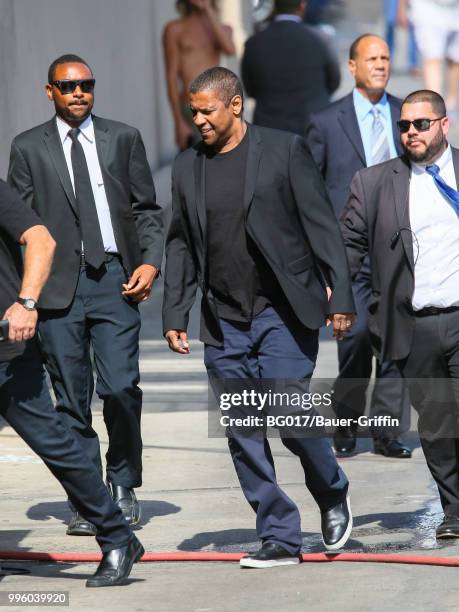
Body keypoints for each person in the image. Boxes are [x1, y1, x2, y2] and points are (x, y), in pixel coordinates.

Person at [163, 66, 355, 568]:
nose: (198, 119)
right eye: (193, 111)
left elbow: (321, 225)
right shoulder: (187, 167)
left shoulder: (283, 150)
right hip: (223, 318)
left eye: (206, 110)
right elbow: (180, 243)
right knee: (243, 429)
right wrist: (175, 312)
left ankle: (331, 491)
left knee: (289, 412)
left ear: (234, 105)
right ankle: (279, 536)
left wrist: (341, 297)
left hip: (282, 311)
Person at [8, 54, 164, 537]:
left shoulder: (123, 138)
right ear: (49, 91)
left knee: (120, 387)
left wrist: (149, 262)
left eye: (86, 85)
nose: (79, 94)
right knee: (71, 399)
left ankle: (122, 482)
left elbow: (147, 210)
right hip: (58, 290)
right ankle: (87, 495)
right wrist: (24, 295)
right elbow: (19, 224)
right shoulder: (28, 147)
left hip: (115, 280)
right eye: (68, 86)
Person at [0, 179, 143, 587]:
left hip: (8, 351)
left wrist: (27, 303)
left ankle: (118, 538)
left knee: (56, 446)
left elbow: (41, 241)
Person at [341, 89, 459, 539]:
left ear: (443, 125)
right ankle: (454, 510)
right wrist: (339, 299)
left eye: (421, 124)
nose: (411, 132)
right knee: (437, 422)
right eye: (404, 126)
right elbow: (347, 244)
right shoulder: (374, 183)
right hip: (417, 325)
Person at [307, 34, 412, 458]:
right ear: (352, 66)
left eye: (385, 57)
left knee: (397, 341)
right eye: (372, 58)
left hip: (398, 244)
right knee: (354, 339)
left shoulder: (406, 114)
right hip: (348, 246)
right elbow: (311, 189)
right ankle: (347, 423)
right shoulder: (326, 120)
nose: (381, 65)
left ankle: (387, 431)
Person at [241, 0, 340, 138]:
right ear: (302, 6)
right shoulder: (321, 40)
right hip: (311, 129)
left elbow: (250, 89)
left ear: (274, 6)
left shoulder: (254, 43)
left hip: (269, 132)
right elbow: (334, 80)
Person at [163, 0, 236, 150]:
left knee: (223, 164)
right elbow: (171, 77)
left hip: (219, 106)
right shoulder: (175, 29)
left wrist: (208, 9)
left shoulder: (222, 29)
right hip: (191, 109)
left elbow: (230, 49)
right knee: (194, 165)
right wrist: (178, 123)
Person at [399, 0, 459, 117]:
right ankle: (436, 107)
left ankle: (451, 103)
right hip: (427, 9)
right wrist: (401, 6)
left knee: (455, 60)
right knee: (432, 58)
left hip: (456, 9)